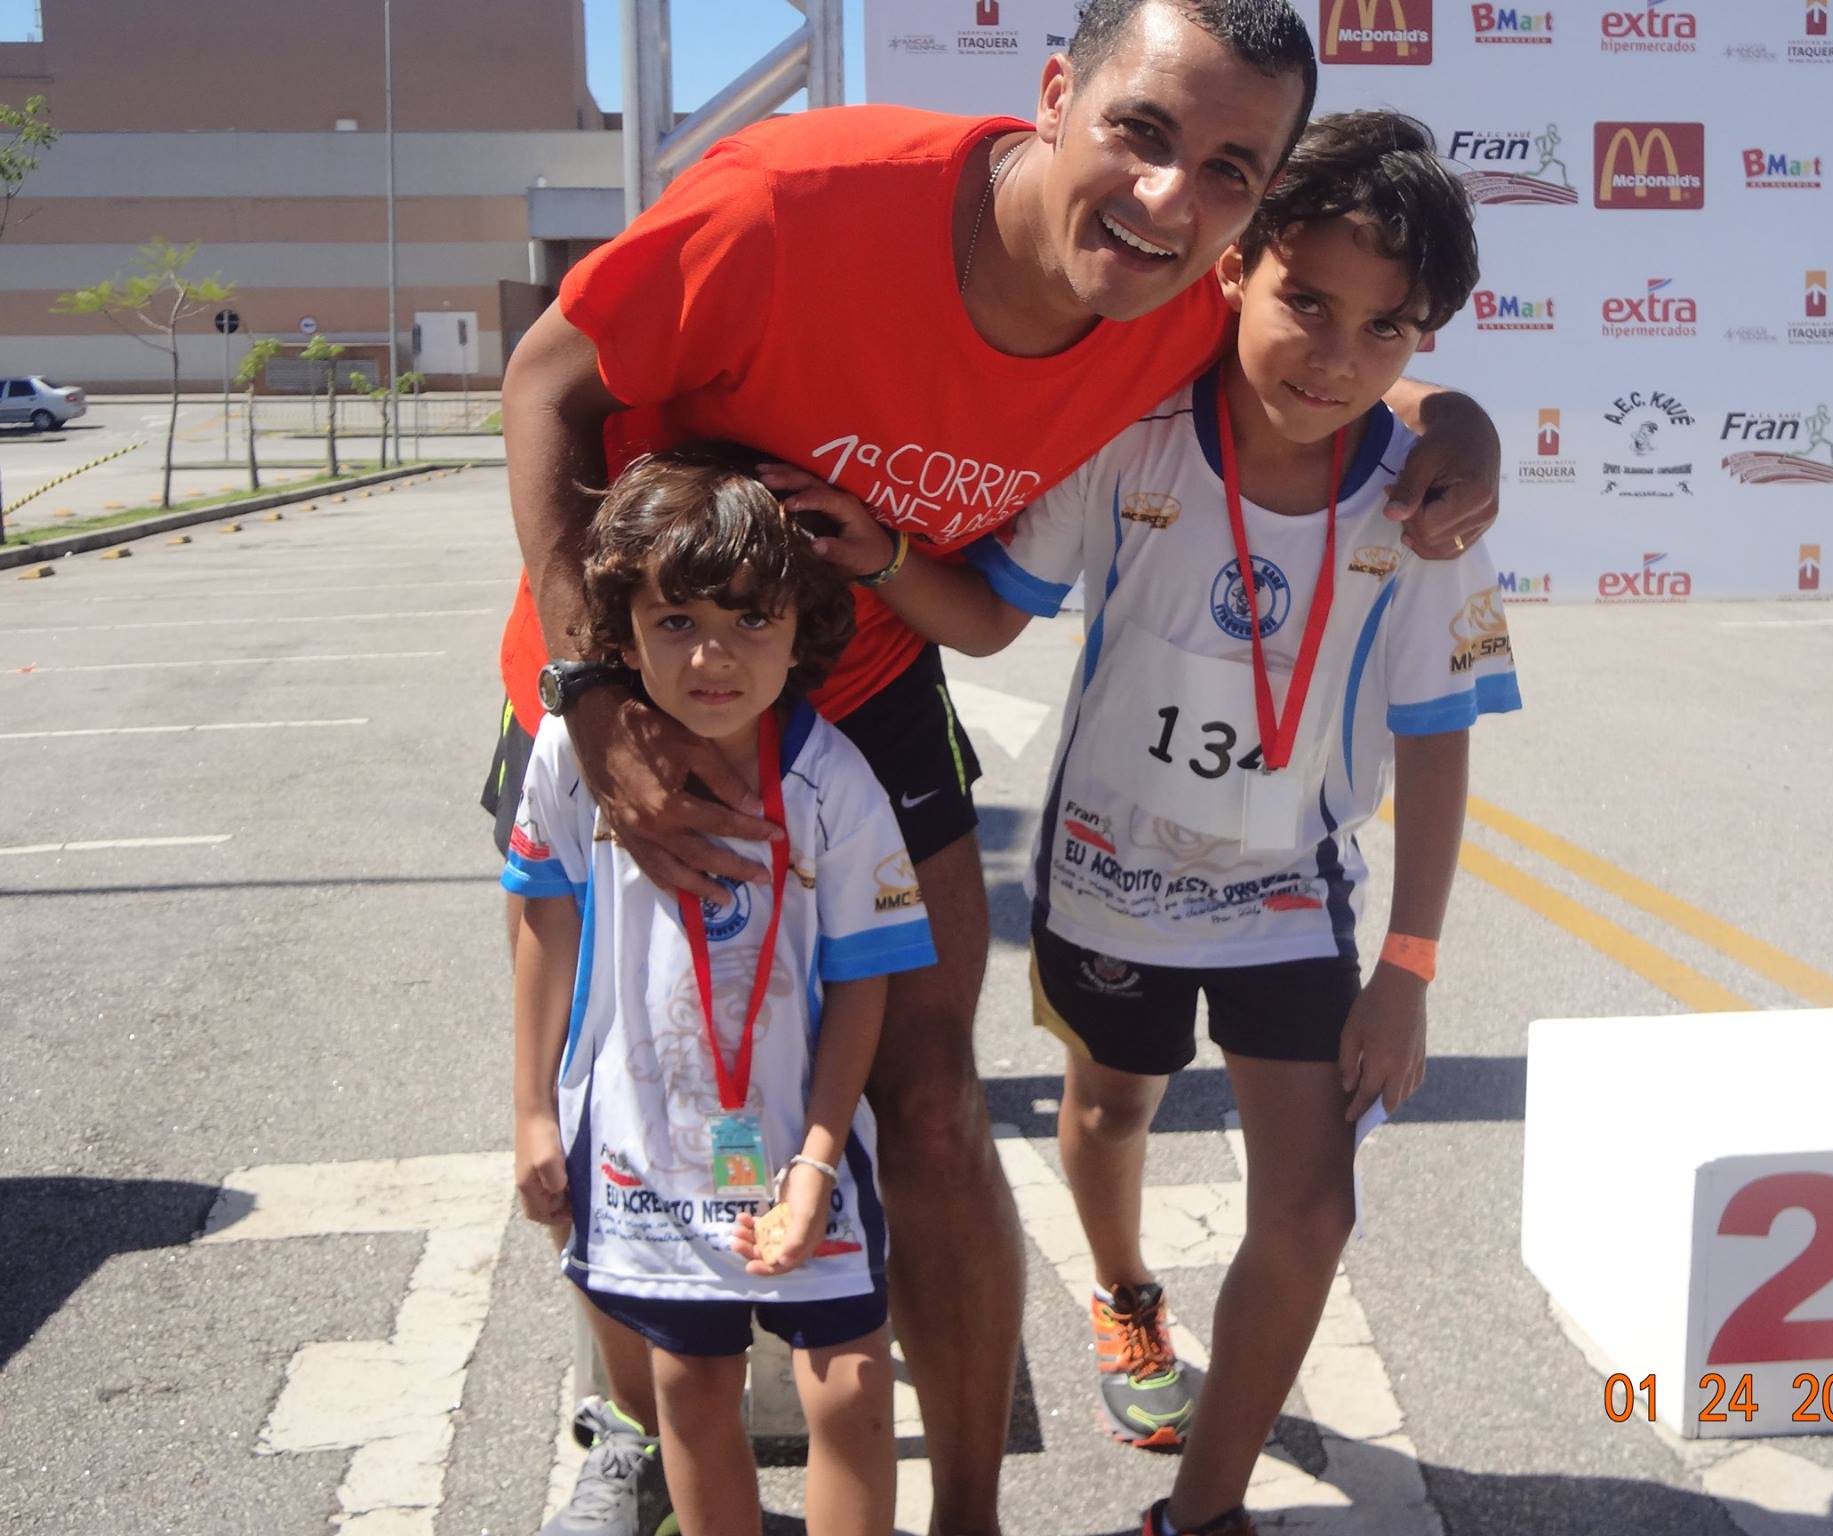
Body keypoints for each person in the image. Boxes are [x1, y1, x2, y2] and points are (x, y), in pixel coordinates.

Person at [493, 4, 1503, 1527]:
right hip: (633, 670)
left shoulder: (1178, 290)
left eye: (1226, 170)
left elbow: (1338, 358)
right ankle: (628, 1427)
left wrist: (1456, 422)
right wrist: (588, 690)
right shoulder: (797, 201)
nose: (1166, 196)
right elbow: (543, 382)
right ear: (1052, 94)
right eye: (1141, 131)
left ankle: (964, 1512)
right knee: (633, 1075)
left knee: (933, 1105)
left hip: (864, 680)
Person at [775, 111, 1517, 1536]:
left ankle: (1202, 1511)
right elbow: (988, 618)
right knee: (1111, 1107)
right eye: (1307, 302)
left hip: (1285, 895)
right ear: (1235, 270)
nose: (1335, 356)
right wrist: (880, 556)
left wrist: (1408, 968)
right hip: (1107, 879)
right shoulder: (1131, 436)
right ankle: (1124, 1297)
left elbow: (1436, 738)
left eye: (1386, 329)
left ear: (1422, 340)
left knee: (1312, 1208)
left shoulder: (1425, 511)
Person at [506, 445, 936, 1536]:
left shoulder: (832, 780)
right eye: (675, 621)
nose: (713, 656)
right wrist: (530, 1113)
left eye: (751, 619)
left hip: (795, 1141)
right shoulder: (571, 756)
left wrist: (817, 1161)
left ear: (801, 628)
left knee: (850, 1384)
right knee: (689, 1392)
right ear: (620, 629)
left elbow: (862, 986)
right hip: (641, 1149)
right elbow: (544, 921)